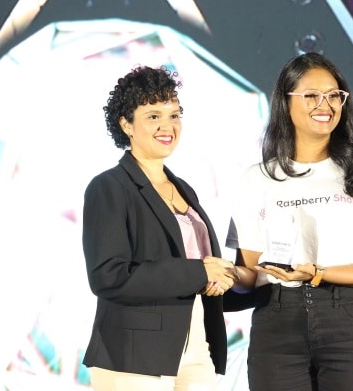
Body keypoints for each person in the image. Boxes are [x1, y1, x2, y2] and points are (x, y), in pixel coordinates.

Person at [225, 52, 353, 390]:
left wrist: (316, 273)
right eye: (311, 95)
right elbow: (250, 273)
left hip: (350, 322)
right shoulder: (256, 179)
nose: (326, 105)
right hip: (276, 323)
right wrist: (219, 274)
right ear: (285, 102)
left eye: (334, 95)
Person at [81, 65, 236, 391]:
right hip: (134, 352)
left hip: (196, 343)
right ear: (126, 124)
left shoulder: (184, 189)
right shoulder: (109, 187)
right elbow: (108, 276)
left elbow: (197, 264)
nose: (168, 126)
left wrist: (219, 278)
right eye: (153, 116)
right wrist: (199, 272)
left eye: (174, 115)